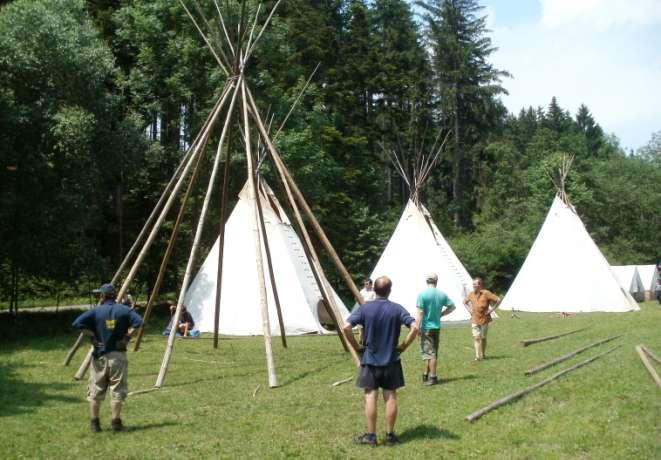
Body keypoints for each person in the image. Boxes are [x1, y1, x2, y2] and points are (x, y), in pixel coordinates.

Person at [342, 276, 419, 446]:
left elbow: (345, 327)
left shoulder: (365, 308)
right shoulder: (397, 309)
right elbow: (415, 327)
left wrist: (356, 347)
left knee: (370, 396)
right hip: (391, 360)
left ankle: (371, 436)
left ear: (374, 290)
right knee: (390, 396)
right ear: (389, 290)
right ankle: (390, 436)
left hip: (370, 360)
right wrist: (403, 346)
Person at [72, 283, 143, 433]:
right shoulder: (124, 310)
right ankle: (116, 423)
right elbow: (139, 322)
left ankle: (94, 424)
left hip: (99, 356)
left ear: (103, 296)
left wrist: (92, 336)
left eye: (100, 294)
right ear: (114, 296)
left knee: (95, 390)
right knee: (117, 390)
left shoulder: (96, 311)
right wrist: (127, 337)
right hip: (118, 356)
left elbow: (77, 323)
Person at [416, 273, 455, 386]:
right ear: (436, 281)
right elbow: (452, 307)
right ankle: (425, 374)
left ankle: (433, 377)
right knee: (432, 352)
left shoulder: (422, 294)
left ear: (426, 281)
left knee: (430, 354)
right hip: (436, 327)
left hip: (426, 328)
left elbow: (420, 312)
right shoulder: (441, 294)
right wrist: (441, 314)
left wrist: (416, 327)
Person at [463, 278, 500, 361]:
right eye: (473, 284)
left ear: (480, 285)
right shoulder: (471, 294)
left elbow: (498, 300)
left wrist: (491, 310)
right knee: (476, 337)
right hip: (474, 319)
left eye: (476, 284)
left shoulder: (486, 293)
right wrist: (469, 310)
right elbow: (464, 302)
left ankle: (483, 354)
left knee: (483, 337)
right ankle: (477, 356)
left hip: (484, 319)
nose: (474, 286)